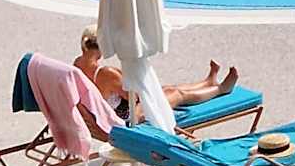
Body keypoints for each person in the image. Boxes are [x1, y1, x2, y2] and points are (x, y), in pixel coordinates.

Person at [74, 30, 239, 116]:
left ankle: (208, 82)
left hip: (103, 114)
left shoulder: (77, 65)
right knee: (176, 94)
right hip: (127, 118)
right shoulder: (106, 73)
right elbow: (134, 97)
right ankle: (221, 89)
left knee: (165, 89)